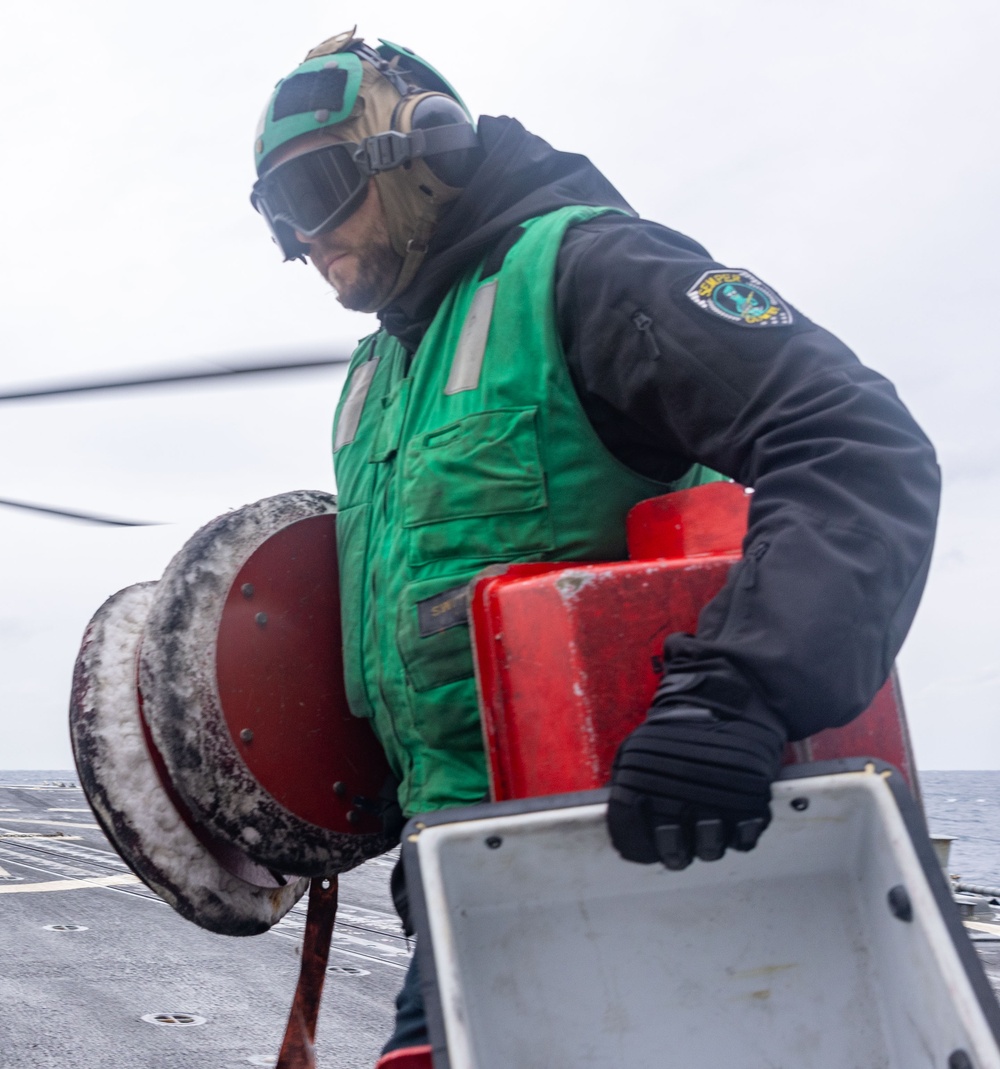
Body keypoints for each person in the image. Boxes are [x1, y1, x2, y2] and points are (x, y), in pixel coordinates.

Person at [251, 29, 940, 1065]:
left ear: (423, 146)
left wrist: (736, 696)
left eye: (313, 193)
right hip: (464, 885)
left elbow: (855, 443)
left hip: (661, 856)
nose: (303, 241)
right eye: (276, 219)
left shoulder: (590, 269)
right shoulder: (370, 387)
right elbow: (405, 649)